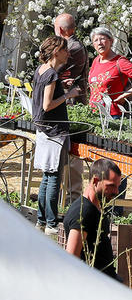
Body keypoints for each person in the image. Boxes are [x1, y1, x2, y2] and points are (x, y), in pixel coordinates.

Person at [32, 36, 82, 234]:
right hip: (54, 131)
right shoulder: (51, 74)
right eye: (64, 50)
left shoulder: (42, 70)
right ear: (55, 52)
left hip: (43, 129)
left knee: (47, 176)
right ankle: (51, 224)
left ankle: (42, 220)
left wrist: (61, 85)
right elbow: (47, 105)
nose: (68, 53)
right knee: (53, 177)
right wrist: (69, 95)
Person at [63, 159, 122, 279]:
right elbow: (71, 259)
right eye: (111, 186)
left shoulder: (97, 206)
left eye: (118, 186)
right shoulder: (84, 212)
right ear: (95, 181)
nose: (116, 191)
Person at [53, 13, 87, 204]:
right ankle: (60, 195)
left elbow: (56, 73)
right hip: (67, 102)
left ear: (60, 29)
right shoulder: (70, 45)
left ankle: (73, 198)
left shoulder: (72, 48)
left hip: (72, 105)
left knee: (73, 154)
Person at [87, 26, 132, 118]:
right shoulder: (96, 61)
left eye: (102, 39)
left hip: (112, 115)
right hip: (93, 113)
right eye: (96, 40)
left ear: (111, 41)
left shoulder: (120, 62)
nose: (99, 43)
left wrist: (123, 96)